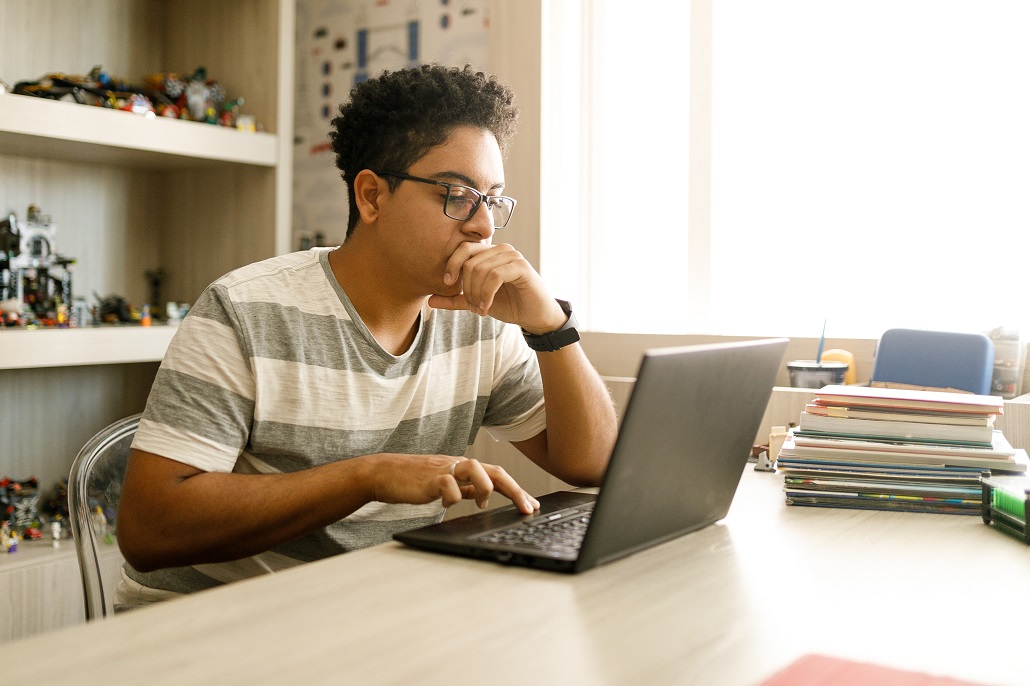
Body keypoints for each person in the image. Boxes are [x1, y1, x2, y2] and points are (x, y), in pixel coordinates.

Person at [115, 64, 618, 608]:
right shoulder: (246, 310)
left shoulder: (479, 322)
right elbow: (150, 531)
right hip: (215, 629)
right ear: (372, 197)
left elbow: (588, 463)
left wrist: (550, 328)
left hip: (373, 614)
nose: (483, 227)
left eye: (492, 199)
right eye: (458, 194)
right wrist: (369, 476)